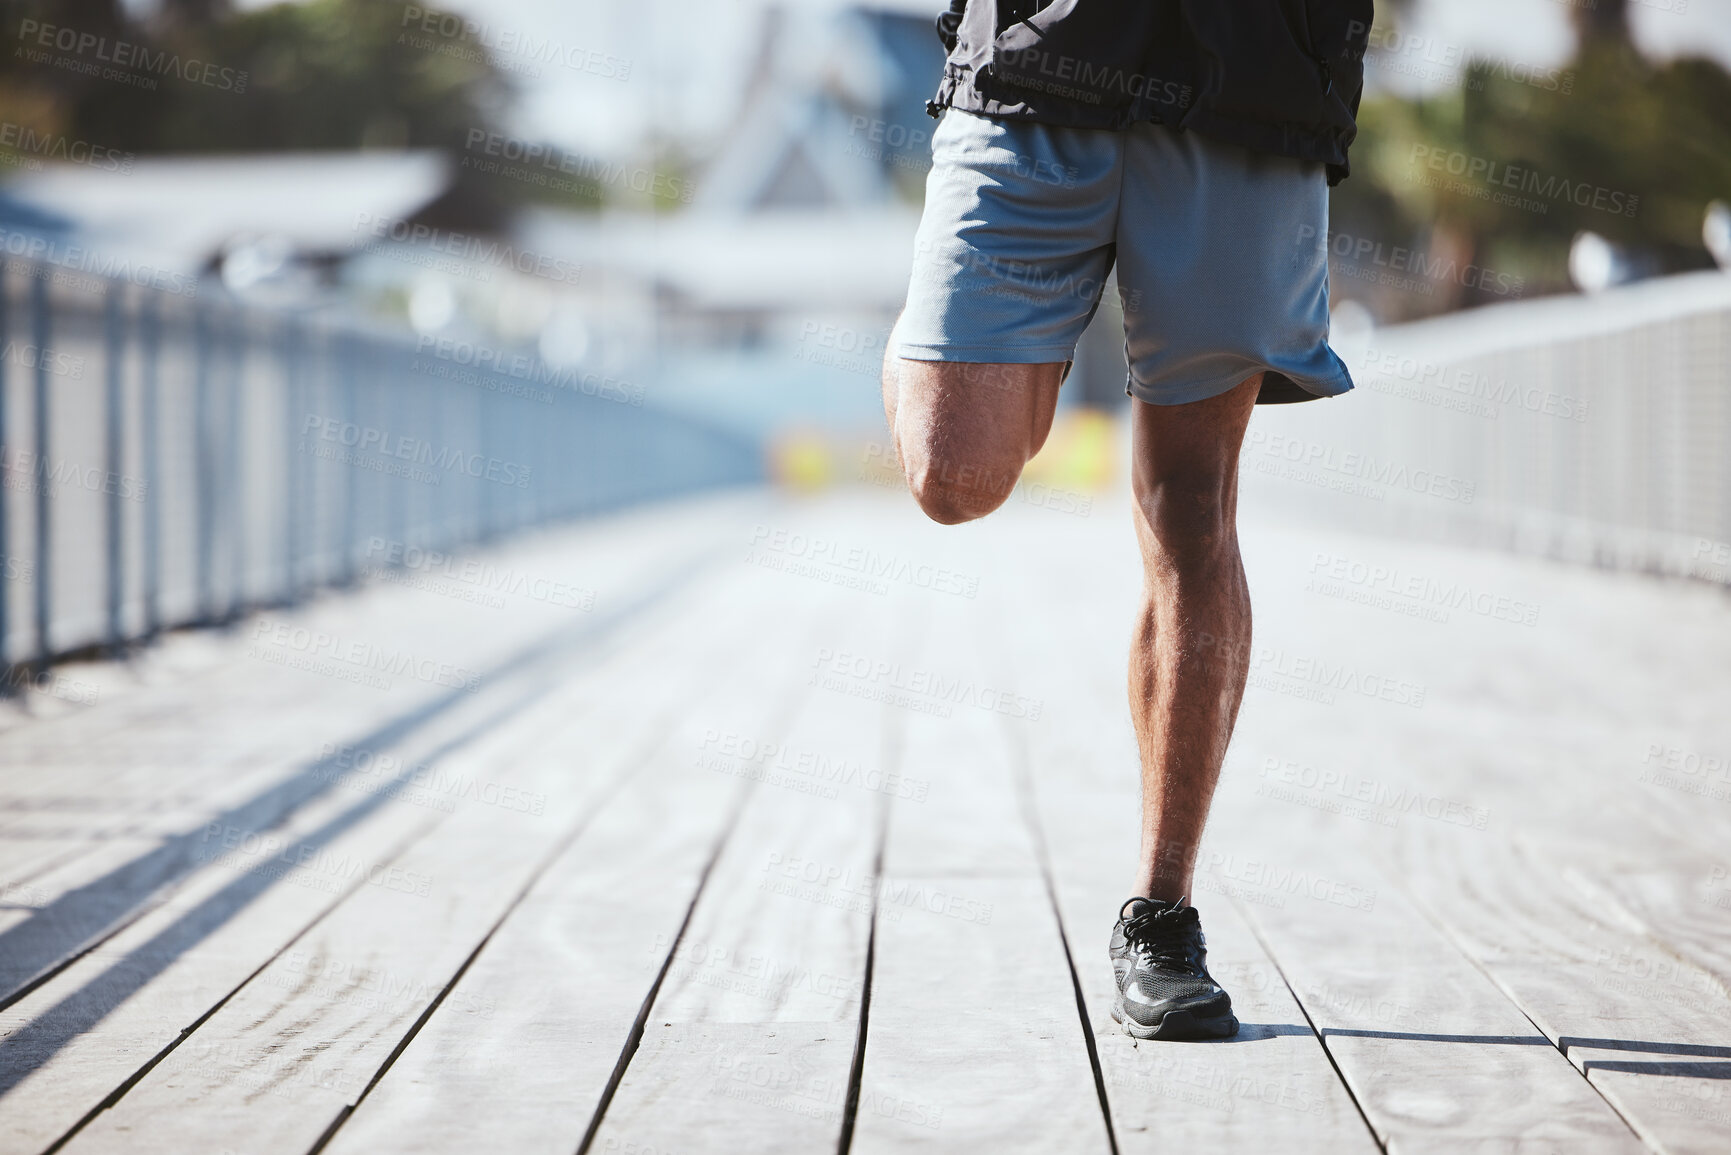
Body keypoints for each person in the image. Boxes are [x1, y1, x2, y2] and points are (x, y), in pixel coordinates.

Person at [882, 0, 1373, 1040]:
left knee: (1193, 507)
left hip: (1250, 89)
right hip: (1033, 67)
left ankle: (1162, 917)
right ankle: (960, 321)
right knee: (952, 471)